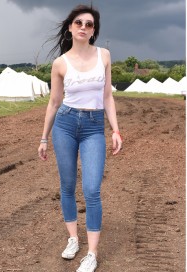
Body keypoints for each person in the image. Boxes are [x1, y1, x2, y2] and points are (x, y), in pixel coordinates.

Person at [38, 4, 122, 272]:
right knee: (67, 185)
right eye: (79, 23)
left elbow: (107, 96)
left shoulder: (104, 55)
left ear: (94, 30)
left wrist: (115, 130)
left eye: (89, 24)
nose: (84, 27)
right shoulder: (60, 63)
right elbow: (53, 102)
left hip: (93, 126)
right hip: (65, 124)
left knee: (92, 189)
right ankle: (73, 238)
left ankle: (92, 253)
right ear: (70, 27)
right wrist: (43, 138)